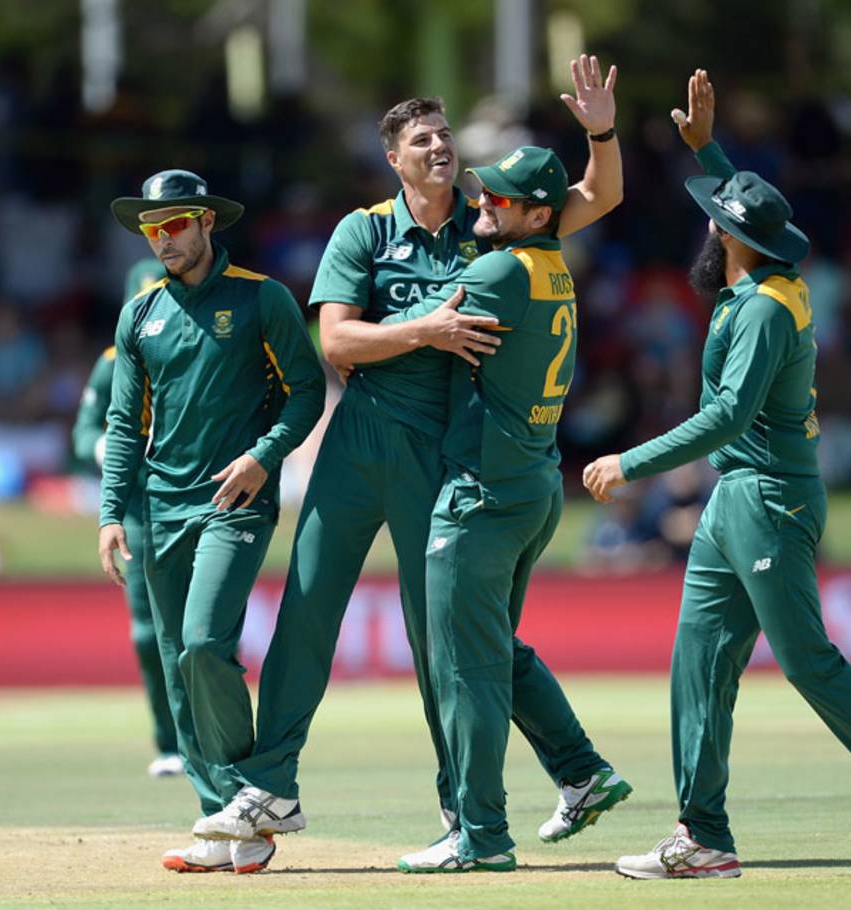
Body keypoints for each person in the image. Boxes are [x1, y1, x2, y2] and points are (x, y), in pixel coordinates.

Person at [194, 57, 628, 853]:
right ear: (392, 157)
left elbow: (601, 195)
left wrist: (599, 129)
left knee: (443, 643)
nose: (439, 148)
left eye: (444, 135)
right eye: (421, 139)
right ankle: (271, 788)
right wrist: (422, 331)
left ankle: (461, 809)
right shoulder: (364, 228)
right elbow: (334, 339)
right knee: (308, 610)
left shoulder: (491, 218)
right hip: (360, 438)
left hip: (443, 446)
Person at [583, 71, 851, 880]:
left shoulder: (766, 308)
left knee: (808, 663)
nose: (704, 228)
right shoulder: (759, 278)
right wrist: (706, 148)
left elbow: (729, 417)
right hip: (736, 500)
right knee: (698, 661)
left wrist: (632, 461)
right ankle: (702, 835)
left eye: (713, 221)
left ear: (729, 240)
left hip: (768, 498)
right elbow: (747, 210)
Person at [384, 145, 628, 872]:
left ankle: (481, 836)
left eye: (497, 200)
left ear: (538, 214)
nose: (480, 205)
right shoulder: (550, 266)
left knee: (465, 667)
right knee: (492, 651)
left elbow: (419, 339)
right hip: (531, 485)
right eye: (482, 195)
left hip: (481, 495)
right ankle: (582, 772)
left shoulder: (495, 271)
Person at [98, 170, 324, 875]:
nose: (164, 239)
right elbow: (122, 423)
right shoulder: (140, 315)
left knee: (202, 644)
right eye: (151, 229)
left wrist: (263, 457)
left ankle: (252, 797)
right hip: (159, 508)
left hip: (235, 502)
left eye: (175, 225)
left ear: (206, 224)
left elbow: (307, 392)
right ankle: (223, 822)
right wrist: (111, 512)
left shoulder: (262, 299)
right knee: (176, 669)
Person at [72, 258, 180, 780]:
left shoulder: (198, 346)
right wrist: (111, 454)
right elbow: (84, 431)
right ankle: (170, 742)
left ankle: (212, 737)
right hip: (139, 509)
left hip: (196, 497)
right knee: (147, 632)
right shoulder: (113, 361)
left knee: (199, 631)